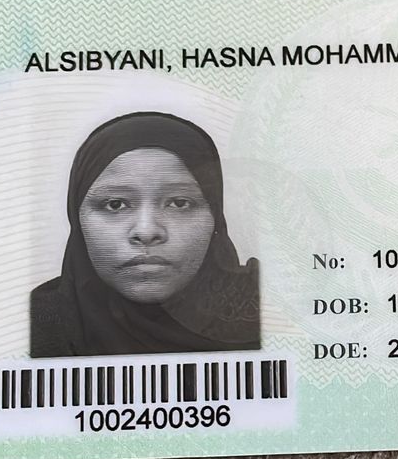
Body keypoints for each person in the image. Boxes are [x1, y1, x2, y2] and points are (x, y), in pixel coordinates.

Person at [30, 111, 260, 357]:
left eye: (179, 203)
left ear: (215, 215)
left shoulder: (269, 310)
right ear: (78, 219)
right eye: (115, 204)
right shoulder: (30, 326)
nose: (147, 232)